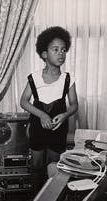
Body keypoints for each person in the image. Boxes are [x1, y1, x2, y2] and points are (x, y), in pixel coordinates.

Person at [20, 26, 79, 191]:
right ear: (44, 54)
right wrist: (42, 115)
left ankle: (50, 198)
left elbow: (74, 104)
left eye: (63, 50)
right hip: (38, 127)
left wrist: (65, 115)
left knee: (54, 166)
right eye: (55, 49)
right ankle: (34, 198)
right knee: (37, 165)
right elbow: (24, 101)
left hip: (58, 129)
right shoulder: (34, 78)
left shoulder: (68, 79)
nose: (61, 53)